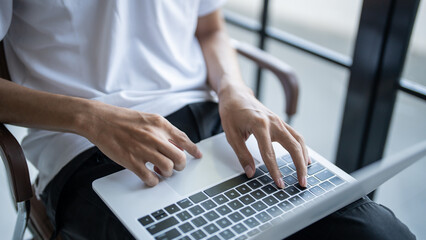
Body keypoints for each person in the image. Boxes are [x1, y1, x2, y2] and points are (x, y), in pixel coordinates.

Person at [0, 1, 415, 239]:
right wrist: (90, 116)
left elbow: (211, 29)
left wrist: (235, 89)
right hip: (87, 149)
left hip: (213, 128)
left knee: (379, 233)